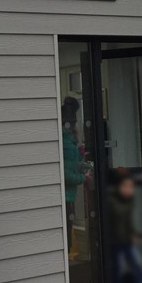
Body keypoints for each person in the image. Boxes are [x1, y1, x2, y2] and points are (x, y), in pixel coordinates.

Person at [107, 168, 142, 283]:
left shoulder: (128, 200)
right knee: (117, 266)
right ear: (118, 186)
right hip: (115, 240)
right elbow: (115, 218)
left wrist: (133, 233)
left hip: (127, 238)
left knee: (136, 263)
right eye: (126, 186)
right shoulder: (110, 200)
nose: (130, 190)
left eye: (131, 187)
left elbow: (128, 220)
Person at [61, 98, 86, 250]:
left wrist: (82, 162)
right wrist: (84, 177)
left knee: (68, 227)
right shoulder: (68, 144)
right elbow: (67, 174)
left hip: (67, 195)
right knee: (67, 229)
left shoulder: (68, 142)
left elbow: (72, 164)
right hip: (67, 195)